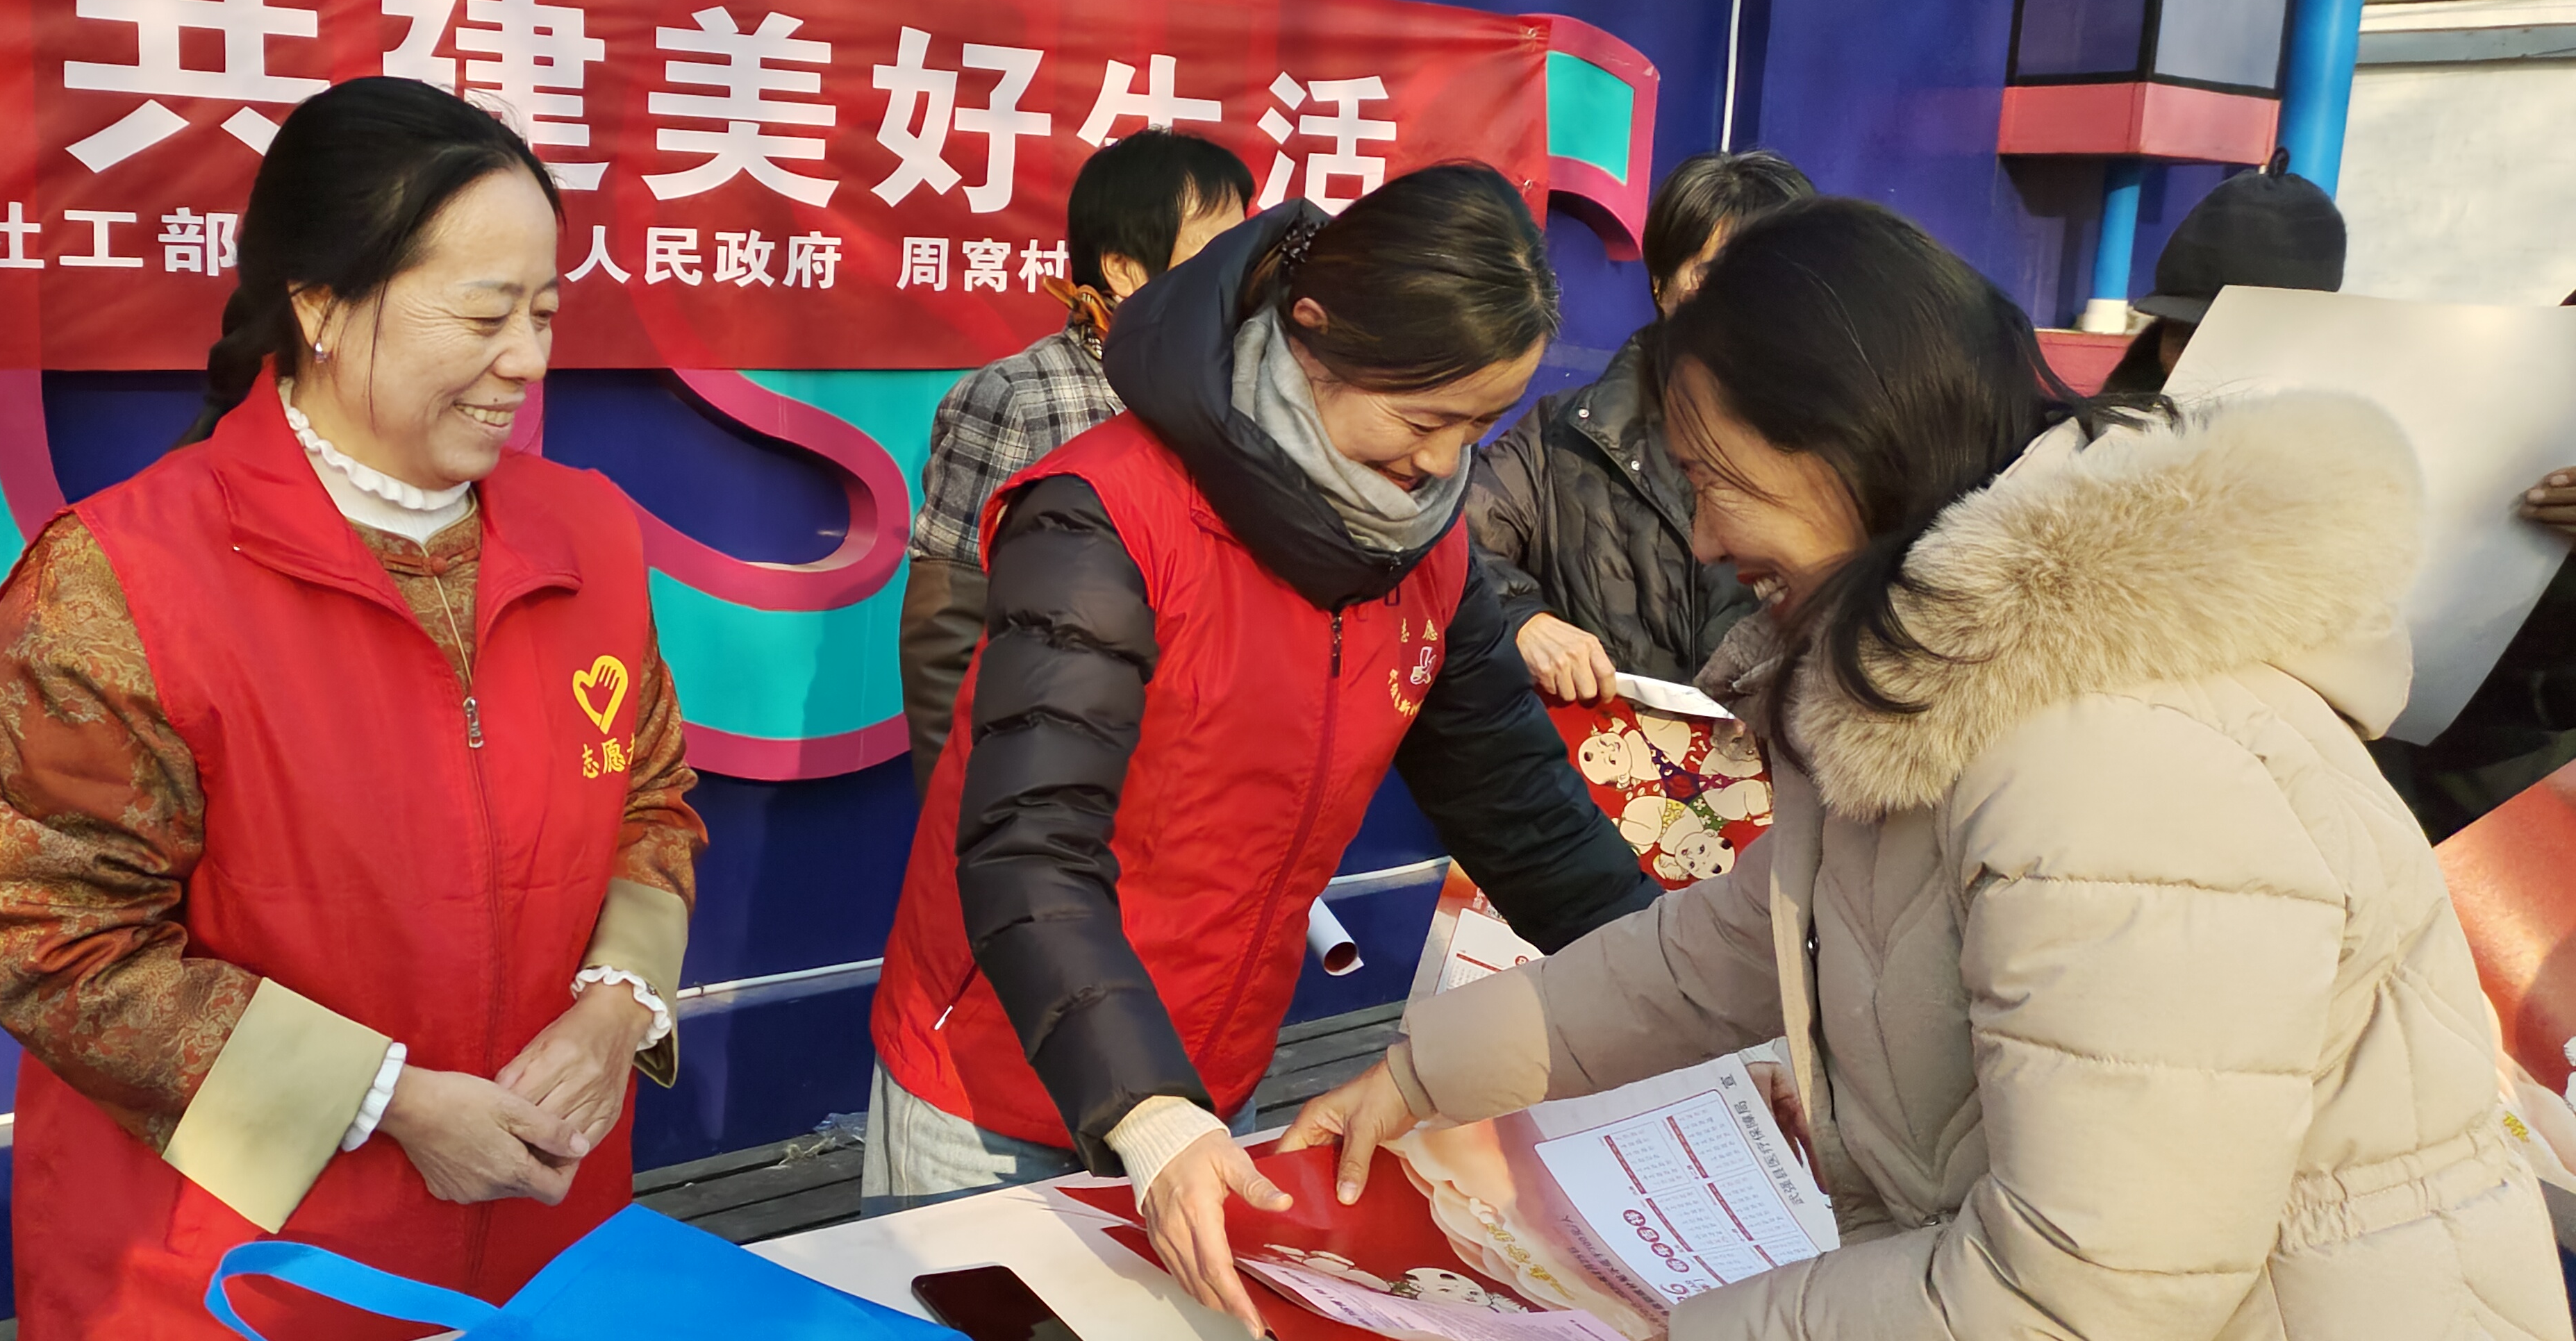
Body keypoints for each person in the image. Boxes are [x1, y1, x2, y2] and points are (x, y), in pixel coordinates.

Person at [1283, 197, 2573, 1338]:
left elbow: (2085, 1293)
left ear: (1854, 442)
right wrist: (1418, 1076)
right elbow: (1722, 952)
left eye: (1717, 481)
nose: (1707, 539)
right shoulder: (1943, 695)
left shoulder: (2114, 750)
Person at [865, 164, 1663, 1331]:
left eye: (1475, 428)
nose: (1444, 465)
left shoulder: (1426, 552)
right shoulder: (1108, 510)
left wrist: (1679, 984)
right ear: (1310, 335)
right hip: (1001, 1082)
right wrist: (1146, 1110)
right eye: (1422, 420)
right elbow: (1029, 845)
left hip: (1204, 1078)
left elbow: (1522, 812)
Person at [0, 78, 705, 1336]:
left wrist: (616, 1005)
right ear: (317, 303)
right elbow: (57, 946)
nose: (527, 361)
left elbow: (650, 798)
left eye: (543, 313)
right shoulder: (124, 578)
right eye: (485, 315)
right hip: (238, 1271)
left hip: (544, 1233)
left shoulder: (588, 533)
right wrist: (391, 1100)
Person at [900, 128, 1253, 787]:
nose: (1242, 268)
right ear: (1123, 268)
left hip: (1200, 781)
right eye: (1217, 245)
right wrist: (970, 812)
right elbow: (948, 635)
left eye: (1246, 241)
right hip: (1061, 781)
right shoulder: (1016, 396)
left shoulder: (1246, 395)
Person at [1463, 150, 1811, 703]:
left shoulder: (1842, 452)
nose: (1735, 301)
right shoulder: (1563, 435)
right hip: (1608, 753)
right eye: (1710, 273)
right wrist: (1521, 617)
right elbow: (1444, 544)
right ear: (1660, 282)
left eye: (1760, 278)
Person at [2102, 147, 2345, 394]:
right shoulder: (2117, 415)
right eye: (2184, 341)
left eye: (2235, 341)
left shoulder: (2340, 409)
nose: (2192, 367)